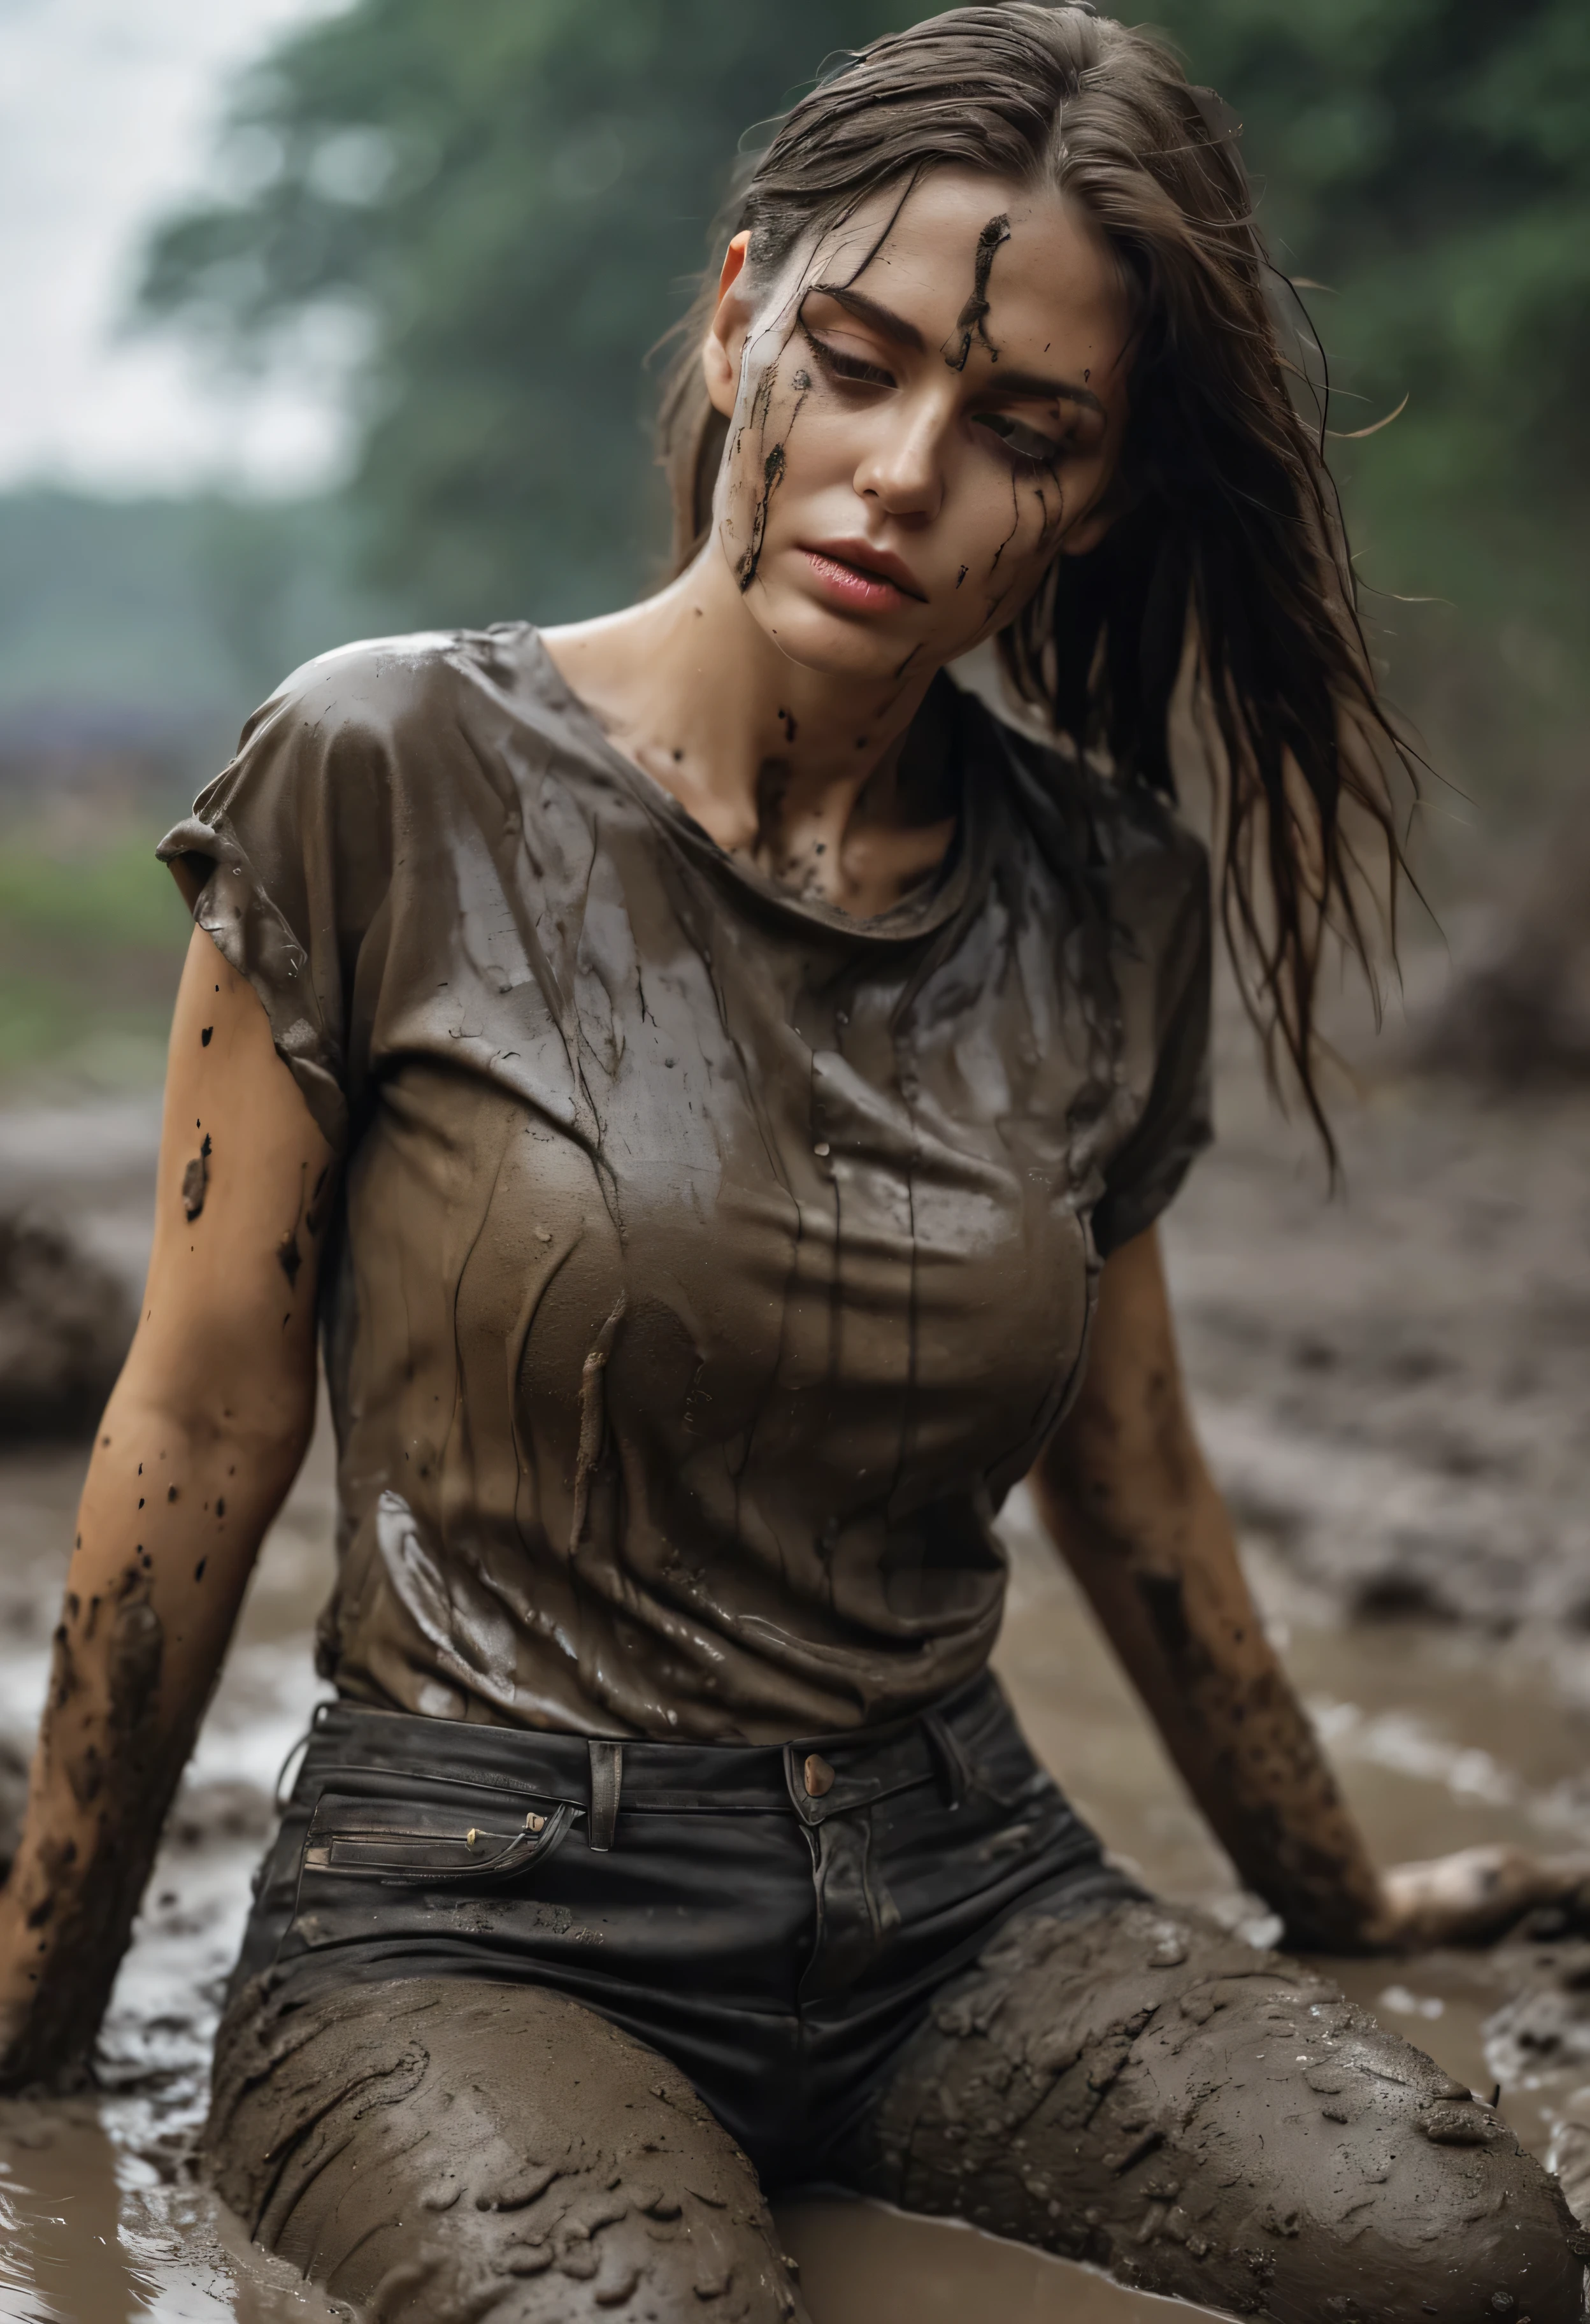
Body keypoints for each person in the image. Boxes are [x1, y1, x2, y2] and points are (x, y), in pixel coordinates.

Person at [0, 7, 1584, 2320]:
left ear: (1097, 495)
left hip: (966, 1893)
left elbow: (1131, 1478)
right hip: (465, 1911)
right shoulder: (384, 773)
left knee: (1475, 2260)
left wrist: (1338, 1892)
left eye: (1019, 428)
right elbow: (205, 1413)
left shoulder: (1106, 898)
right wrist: (37, 2021)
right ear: (742, 316)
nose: (902, 468)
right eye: (855, 360)